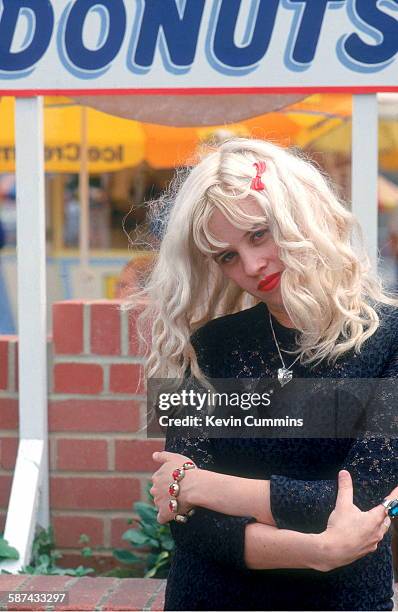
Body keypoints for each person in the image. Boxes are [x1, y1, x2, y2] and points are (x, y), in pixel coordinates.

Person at [127, 138, 398, 611]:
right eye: (227, 256)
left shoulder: (389, 338)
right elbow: (181, 519)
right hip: (209, 597)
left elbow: (363, 501)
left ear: (301, 218)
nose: (252, 266)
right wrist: (318, 551)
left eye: (259, 234)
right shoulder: (206, 345)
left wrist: (206, 486)